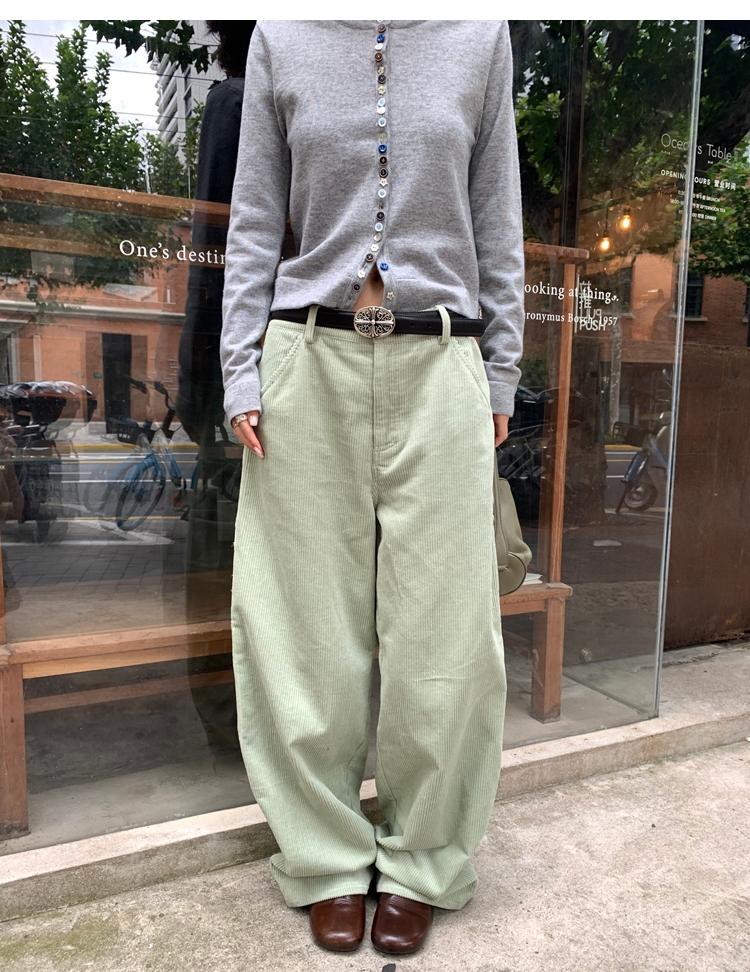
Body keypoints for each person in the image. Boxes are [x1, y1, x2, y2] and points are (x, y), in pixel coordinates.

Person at [220, 19, 525, 957]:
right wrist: (240, 369)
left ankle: (423, 861)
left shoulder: (479, 35)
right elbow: (255, 219)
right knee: (302, 632)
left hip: (442, 363)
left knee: (446, 634)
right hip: (307, 361)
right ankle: (324, 859)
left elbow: (498, 219)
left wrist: (501, 374)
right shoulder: (281, 35)